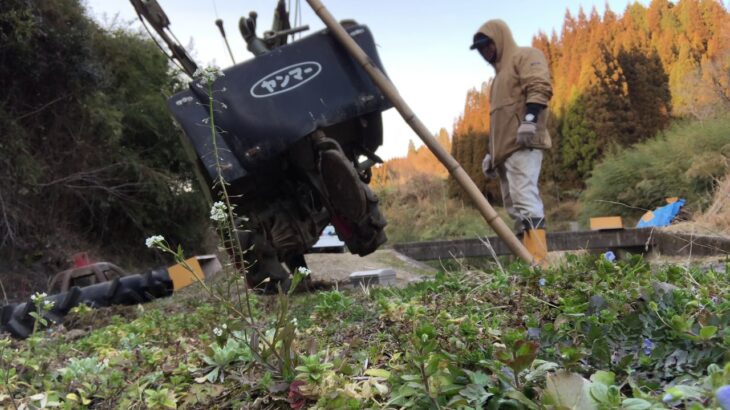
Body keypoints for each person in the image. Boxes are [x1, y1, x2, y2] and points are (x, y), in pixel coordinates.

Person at [470, 19, 552, 263]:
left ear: (500, 39)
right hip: (505, 152)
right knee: (515, 208)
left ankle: (539, 260)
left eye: (488, 45)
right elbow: (500, 122)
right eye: (481, 49)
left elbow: (539, 85)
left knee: (526, 200)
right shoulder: (497, 80)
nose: (485, 52)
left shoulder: (525, 56)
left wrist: (530, 120)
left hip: (524, 144)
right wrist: (491, 154)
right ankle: (526, 259)